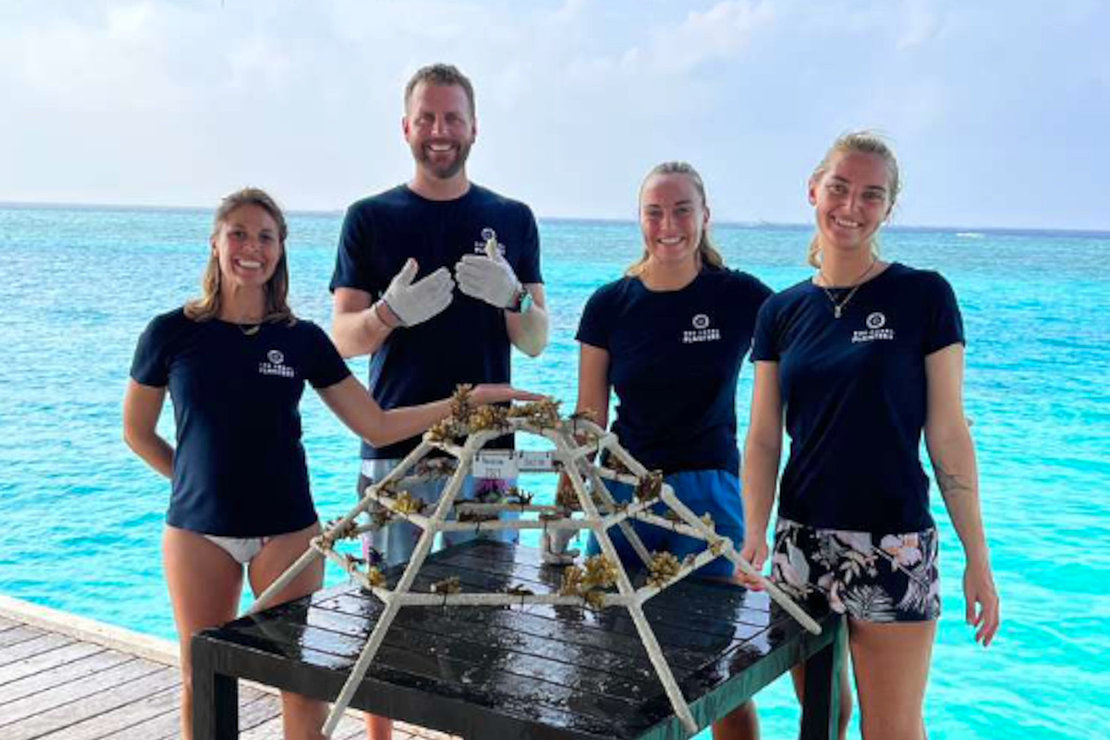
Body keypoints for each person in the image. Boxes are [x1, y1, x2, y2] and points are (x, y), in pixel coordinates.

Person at [122, 187, 536, 740]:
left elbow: (377, 425)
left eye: (265, 236)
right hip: (198, 533)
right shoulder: (171, 333)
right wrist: (190, 481)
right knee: (202, 675)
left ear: (280, 250)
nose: (252, 247)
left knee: (302, 681)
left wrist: (474, 399)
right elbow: (137, 433)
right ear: (215, 244)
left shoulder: (301, 340)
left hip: (289, 530)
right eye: (238, 233)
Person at [738, 131, 1001, 740]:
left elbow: (949, 433)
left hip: (895, 544)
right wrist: (756, 532)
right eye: (839, 188)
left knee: (891, 730)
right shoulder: (780, 312)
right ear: (814, 190)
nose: (851, 206)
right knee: (824, 718)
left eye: (871, 195)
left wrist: (977, 558)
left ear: (888, 207)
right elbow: (762, 439)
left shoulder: (923, 295)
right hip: (801, 544)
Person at [328, 63, 548, 739]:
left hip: (489, 459)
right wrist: (388, 314)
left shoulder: (511, 218)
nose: (440, 132)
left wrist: (514, 297)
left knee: (484, 618)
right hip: (395, 451)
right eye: (427, 118)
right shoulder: (369, 218)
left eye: (453, 118)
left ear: (474, 127)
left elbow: (536, 340)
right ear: (406, 127)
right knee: (385, 616)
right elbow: (343, 339)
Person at [572, 161, 771, 739]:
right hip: (622, 495)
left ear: (705, 216)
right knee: (617, 655)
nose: (669, 224)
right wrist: (573, 498)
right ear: (640, 220)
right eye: (655, 211)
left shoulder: (740, 296)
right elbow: (590, 418)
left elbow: (804, 360)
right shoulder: (609, 304)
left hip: (710, 495)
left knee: (720, 667)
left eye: (682, 209)